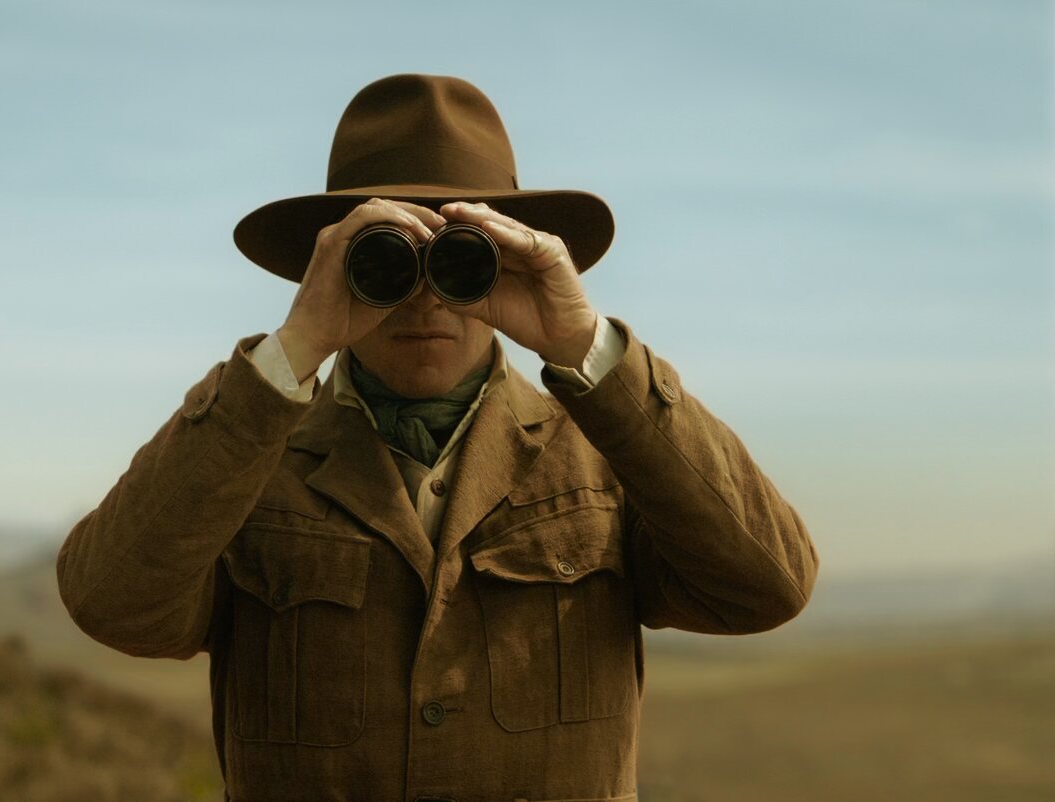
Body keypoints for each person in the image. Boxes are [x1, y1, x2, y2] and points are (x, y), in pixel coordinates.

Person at [56, 74, 818, 801]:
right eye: (386, 261)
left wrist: (587, 347)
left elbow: (768, 585)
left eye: (461, 259)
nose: (426, 299)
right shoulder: (249, 462)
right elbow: (112, 602)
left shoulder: (606, 455)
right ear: (331, 265)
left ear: (513, 257)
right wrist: (290, 353)